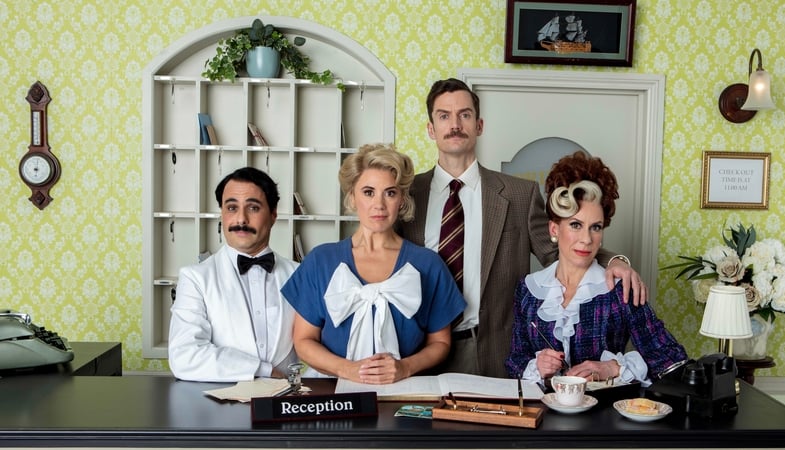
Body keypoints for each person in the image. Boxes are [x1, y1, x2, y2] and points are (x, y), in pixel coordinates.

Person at [399, 78, 647, 378]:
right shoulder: (405, 195)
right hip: (419, 350)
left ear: (479, 125)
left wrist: (615, 261)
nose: (455, 124)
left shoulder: (519, 195)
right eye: (443, 116)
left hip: (492, 351)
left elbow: (560, 248)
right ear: (430, 128)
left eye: (464, 114)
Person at [282, 143, 466, 384]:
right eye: (368, 192)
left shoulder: (428, 264)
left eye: (390, 193)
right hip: (332, 393)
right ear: (352, 196)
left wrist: (404, 367)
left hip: (406, 395)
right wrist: (347, 370)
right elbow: (303, 340)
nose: (379, 204)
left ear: (401, 200)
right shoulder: (320, 261)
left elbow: (440, 342)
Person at [505, 152, 686, 386]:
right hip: (542, 417)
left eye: (596, 227)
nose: (586, 239)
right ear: (553, 229)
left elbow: (672, 356)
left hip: (604, 418)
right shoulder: (529, 290)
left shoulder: (620, 289)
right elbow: (514, 362)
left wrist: (613, 368)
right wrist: (536, 366)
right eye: (575, 225)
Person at [168, 167, 299, 382]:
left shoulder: (299, 274)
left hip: (286, 405)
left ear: (273, 214)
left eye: (253, 208)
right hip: (219, 406)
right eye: (231, 207)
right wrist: (262, 370)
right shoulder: (195, 278)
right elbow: (185, 356)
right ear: (222, 213)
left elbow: (318, 346)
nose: (241, 219)